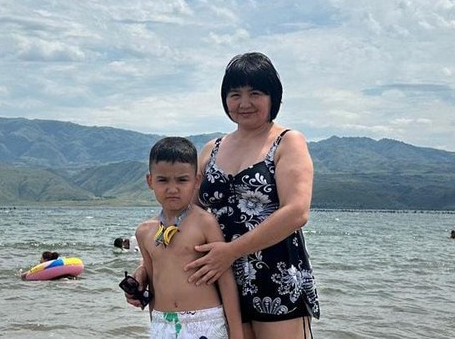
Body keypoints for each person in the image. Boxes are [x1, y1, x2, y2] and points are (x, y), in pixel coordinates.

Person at [126, 53, 320, 339]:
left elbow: (296, 212)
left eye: (255, 93)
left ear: (273, 96)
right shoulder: (212, 149)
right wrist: (146, 269)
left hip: (275, 278)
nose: (244, 103)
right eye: (235, 94)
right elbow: (183, 217)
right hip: (214, 282)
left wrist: (231, 251)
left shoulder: (287, 142)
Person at [130, 136, 243, 339]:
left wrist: (236, 333)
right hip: (162, 323)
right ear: (150, 181)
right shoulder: (144, 232)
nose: (172, 189)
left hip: (205, 322)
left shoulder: (204, 223)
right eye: (163, 180)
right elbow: (153, 283)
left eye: (182, 180)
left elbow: (226, 280)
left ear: (196, 181)